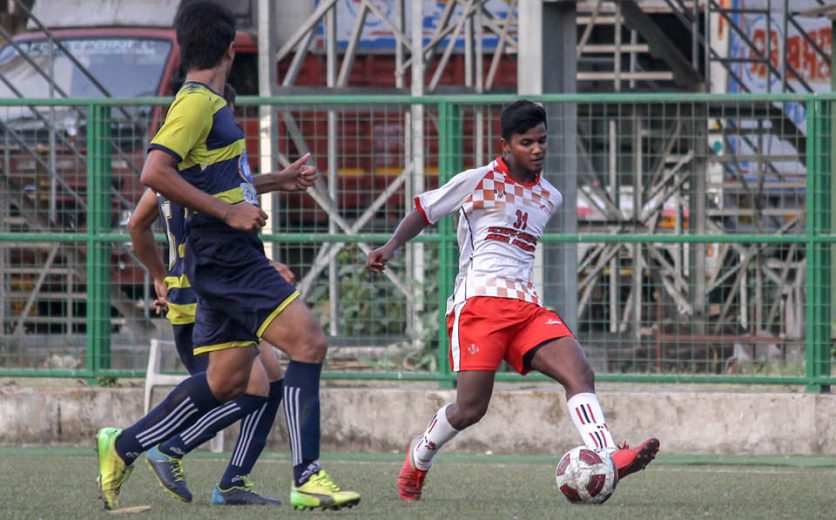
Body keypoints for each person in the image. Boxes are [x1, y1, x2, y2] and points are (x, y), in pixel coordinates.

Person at [96, 2, 359, 511]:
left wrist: (275, 183)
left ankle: (124, 445)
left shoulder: (212, 106)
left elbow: (212, 177)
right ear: (230, 49)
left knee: (229, 380)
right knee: (308, 342)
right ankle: (307, 475)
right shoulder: (195, 103)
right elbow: (154, 172)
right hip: (225, 254)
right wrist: (227, 212)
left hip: (219, 256)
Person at [366, 100, 660, 501]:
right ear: (505, 145)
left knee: (579, 372)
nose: (537, 149)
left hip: (526, 309)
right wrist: (391, 245)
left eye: (542, 141)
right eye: (527, 143)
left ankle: (610, 456)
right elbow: (425, 210)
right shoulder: (479, 179)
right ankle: (420, 456)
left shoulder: (550, 196)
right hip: (479, 306)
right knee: (469, 409)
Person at [127, 123, 311, 505]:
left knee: (270, 380)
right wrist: (164, 277)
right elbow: (219, 216)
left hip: (210, 290)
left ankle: (233, 480)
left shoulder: (174, 180)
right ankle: (164, 447)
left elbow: (138, 225)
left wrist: (161, 277)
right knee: (249, 387)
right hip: (205, 294)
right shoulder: (192, 175)